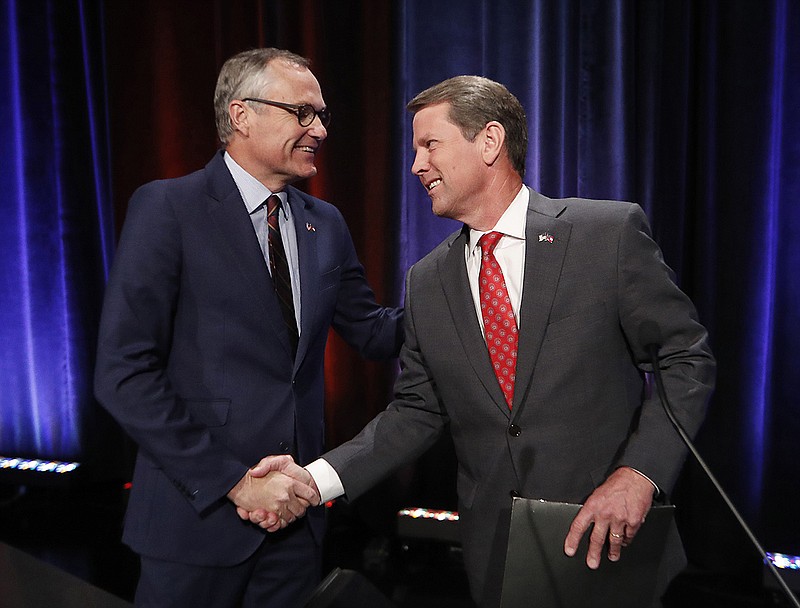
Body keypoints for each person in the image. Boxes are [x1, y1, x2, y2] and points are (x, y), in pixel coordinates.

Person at [247, 74, 715, 606]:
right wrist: (314, 481)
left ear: (489, 141)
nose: (416, 164)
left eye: (430, 145)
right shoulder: (427, 281)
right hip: (498, 555)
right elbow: (416, 412)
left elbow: (687, 359)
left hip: (609, 541)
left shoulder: (604, 235)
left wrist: (640, 475)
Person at [93, 48, 403, 608]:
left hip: (295, 524)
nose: (319, 130)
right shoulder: (169, 208)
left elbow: (375, 333)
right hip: (197, 518)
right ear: (241, 115)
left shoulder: (324, 222)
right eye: (303, 113)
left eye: (323, 115)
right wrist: (235, 481)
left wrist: (471, 288)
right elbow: (123, 374)